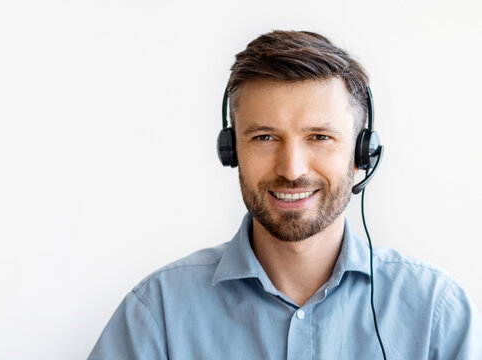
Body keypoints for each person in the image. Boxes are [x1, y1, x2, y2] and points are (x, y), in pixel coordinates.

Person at [88, 30, 482, 359]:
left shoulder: (437, 312)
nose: (291, 169)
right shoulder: (158, 312)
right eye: (264, 137)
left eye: (320, 137)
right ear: (231, 150)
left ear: (363, 152)